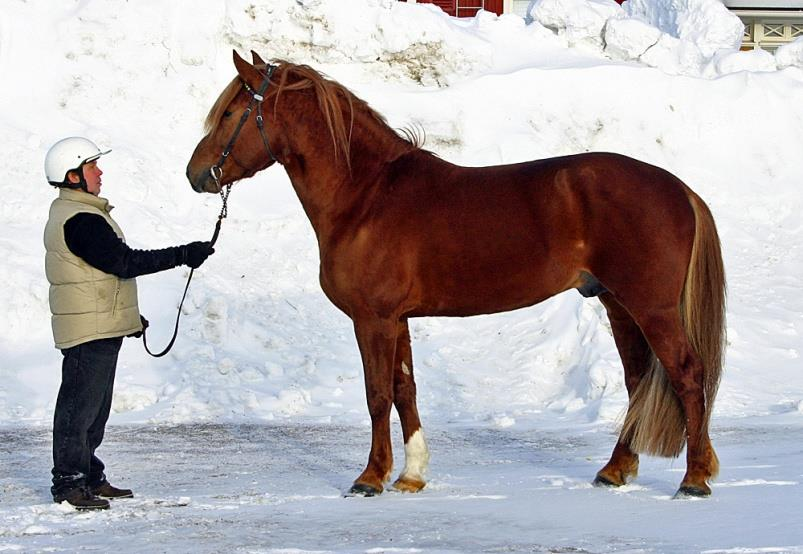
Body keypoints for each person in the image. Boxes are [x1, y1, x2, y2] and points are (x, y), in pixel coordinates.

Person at [43, 137, 215, 511]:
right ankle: (69, 485)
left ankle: (89, 476)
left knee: (96, 410)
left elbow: (98, 277)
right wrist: (182, 255)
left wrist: (126, 317)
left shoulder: (82, 213)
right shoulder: (81, 219)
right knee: (79, 408)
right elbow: (123, 263)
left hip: (98, 324)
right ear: (73, 176)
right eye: (92, 167)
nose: (100, 172)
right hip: (88, 330)